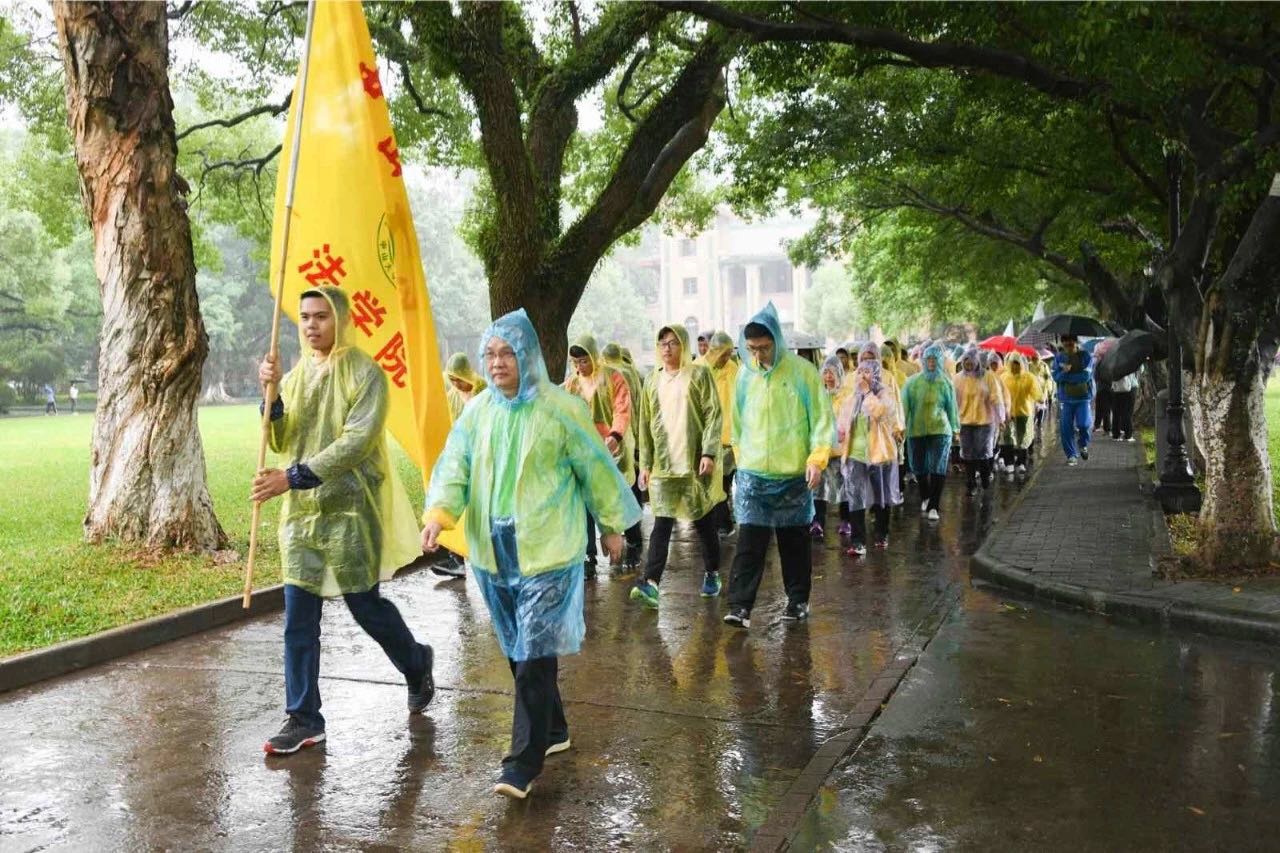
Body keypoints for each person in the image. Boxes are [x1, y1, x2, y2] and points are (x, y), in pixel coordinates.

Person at [423, 309, 641, 799]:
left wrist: (611, 525)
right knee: (517, 647)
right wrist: (438, 514)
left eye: (507, 353)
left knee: (533, 651)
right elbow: (454, 467)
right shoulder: (478, 412)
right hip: (493, 550)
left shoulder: (562, 409)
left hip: (548, 550)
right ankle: (554, 728)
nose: (497, 363)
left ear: (527, 357)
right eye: (490, 354)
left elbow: (595, 467)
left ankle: (521, 763)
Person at [253, 286, 433, 756]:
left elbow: (356, 443)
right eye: (305, 317)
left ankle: (416, 663)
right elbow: (280, 440)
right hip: (302, 517)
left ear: (341, 320)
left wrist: (292, 477)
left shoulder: (365, 373)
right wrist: (271, 397)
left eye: (321, 316)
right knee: (299, 617)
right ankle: (303, 718)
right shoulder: (295, 376)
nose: (312, 325)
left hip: (351, 511)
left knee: (365, 606)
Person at [723, 303, 834, 628]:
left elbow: (822, 420)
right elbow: (737, 423)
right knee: (749, 542)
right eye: (752, 349)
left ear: (777, 341)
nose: (758, 355)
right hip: (754, 476)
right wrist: (742, 460)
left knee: (793, 543)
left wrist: (816, 459)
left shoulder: (803, 373)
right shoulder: (745, 376)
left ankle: (798, 601)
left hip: (792, 476)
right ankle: (740, 607)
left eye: (764, 347)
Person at [630, 325, 725, 609]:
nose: (667, 348)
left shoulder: (699, 375)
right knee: (661, 524)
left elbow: (713, 413)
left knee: (703, 524)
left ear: (683, 345)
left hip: (693, 465)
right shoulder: (652, 381)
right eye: (662, 343)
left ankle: (712, 573)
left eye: (673, 343)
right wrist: (645, 464)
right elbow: (645, 424)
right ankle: (651, 583)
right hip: (664, 467)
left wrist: (708, 452)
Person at [564, 334, 643, 574]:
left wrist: (615, 435)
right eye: (576, 362)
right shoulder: (572, 385)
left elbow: (622, 409)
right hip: (585, 453)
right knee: (585, 501)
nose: (580, 366)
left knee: (622, 495)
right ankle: (588, 556)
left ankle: (633, 542)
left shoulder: (612, 378)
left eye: (584, 361)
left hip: (613, 448)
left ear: (593, 356)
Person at [838, 356, 902, 554]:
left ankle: (882, 534)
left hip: (879, 454)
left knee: (880, 496)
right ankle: (858, 542)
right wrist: (840, 432)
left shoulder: (884, 395)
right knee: (855, 496)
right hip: (855, 454)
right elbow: (843, 420)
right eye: (860, 371)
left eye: (866, 372)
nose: (862, 376)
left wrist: (867, 393)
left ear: (875, 375)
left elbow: (880, 413)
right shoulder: (852, 397)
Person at [901, 344, 960, 521]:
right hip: (916, 430)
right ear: (923, 361)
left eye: (935, 360)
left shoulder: (946, 383)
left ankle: (934, 505)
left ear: (940, 361)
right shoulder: (912, 383)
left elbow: (952, 408)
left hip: (940, 430)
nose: (932, 363)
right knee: (918, 467)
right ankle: (925, 495)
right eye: (928, 360)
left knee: (938, 466)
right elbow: (904, 407)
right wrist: (901, 427)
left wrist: (955, 429)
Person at [953, 346, 1006, 496]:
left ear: (977, 362)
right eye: (966, 363)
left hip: (985, 422)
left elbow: (996, 398)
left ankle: (984, 476)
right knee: (967, 453)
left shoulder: (988, 377)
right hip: (965, 422)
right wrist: (952, 421)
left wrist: (1001, 418)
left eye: (971, 363)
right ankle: (971, 484)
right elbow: (952, 401)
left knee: (983, 452)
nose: (968, 366)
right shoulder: (957, 379)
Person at [812, 354, 852, 539]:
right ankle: (817, 522)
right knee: (818, 487)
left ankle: (846, 521)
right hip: (821, 449)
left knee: (843, 486)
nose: (828, 377)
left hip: (840, 450)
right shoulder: (818, 395)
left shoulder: (847, 396)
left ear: (840, 374)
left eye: (832, 373)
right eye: (826, 372)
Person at [704, 331, 739, 536]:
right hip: (706, 437)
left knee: (723, 482)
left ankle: (723, 524)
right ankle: (716, 523)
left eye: (729, 353)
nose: (726, 358)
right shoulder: (700, 368)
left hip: (729, 438)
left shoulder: (734, 369)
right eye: (723, 354)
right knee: (709, 484)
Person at [1052, 335, 1094, 465]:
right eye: (1065, 341)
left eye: (1070, 340)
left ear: (1075, 342)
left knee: (1084, 424)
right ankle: (1071, 455)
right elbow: (1056, 377)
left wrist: (1067, 378)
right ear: (1062, 343)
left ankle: (1083, 444)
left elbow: (1086, 376)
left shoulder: (1086, 356)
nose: (1068, 343)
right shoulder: (1059, 358)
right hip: (1065, 399)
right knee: (1066, 428)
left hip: (1083, 397)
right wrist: (1064, 372)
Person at [998, 353, 1041, 476]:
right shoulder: (1004, 377)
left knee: (1022, 438)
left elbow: (1036, 393)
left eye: (1017, 364)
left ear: (1021, 364)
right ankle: (1009, 463)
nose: (1014, 367)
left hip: (1024, 412)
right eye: (1013, 364)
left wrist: (1039, 399)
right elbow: (999, 393)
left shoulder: (1029, 377)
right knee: (1007, 437)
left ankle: (1021, 462)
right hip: (1008, 413)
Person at [443, 352, 487, 422]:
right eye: (452, 380)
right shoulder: (451, 397)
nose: (456, 384)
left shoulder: (483, 389)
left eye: (459, 380)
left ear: (467, 375)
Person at [1110, 367, 1139, 442]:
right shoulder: (1131, 361)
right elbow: (1141, 369)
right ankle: (1128, 435)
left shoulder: (1113, 361)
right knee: (1128, 412)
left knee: (1116, 412)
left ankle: (1116, 435)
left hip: (1116, 388)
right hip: (1130, 387)